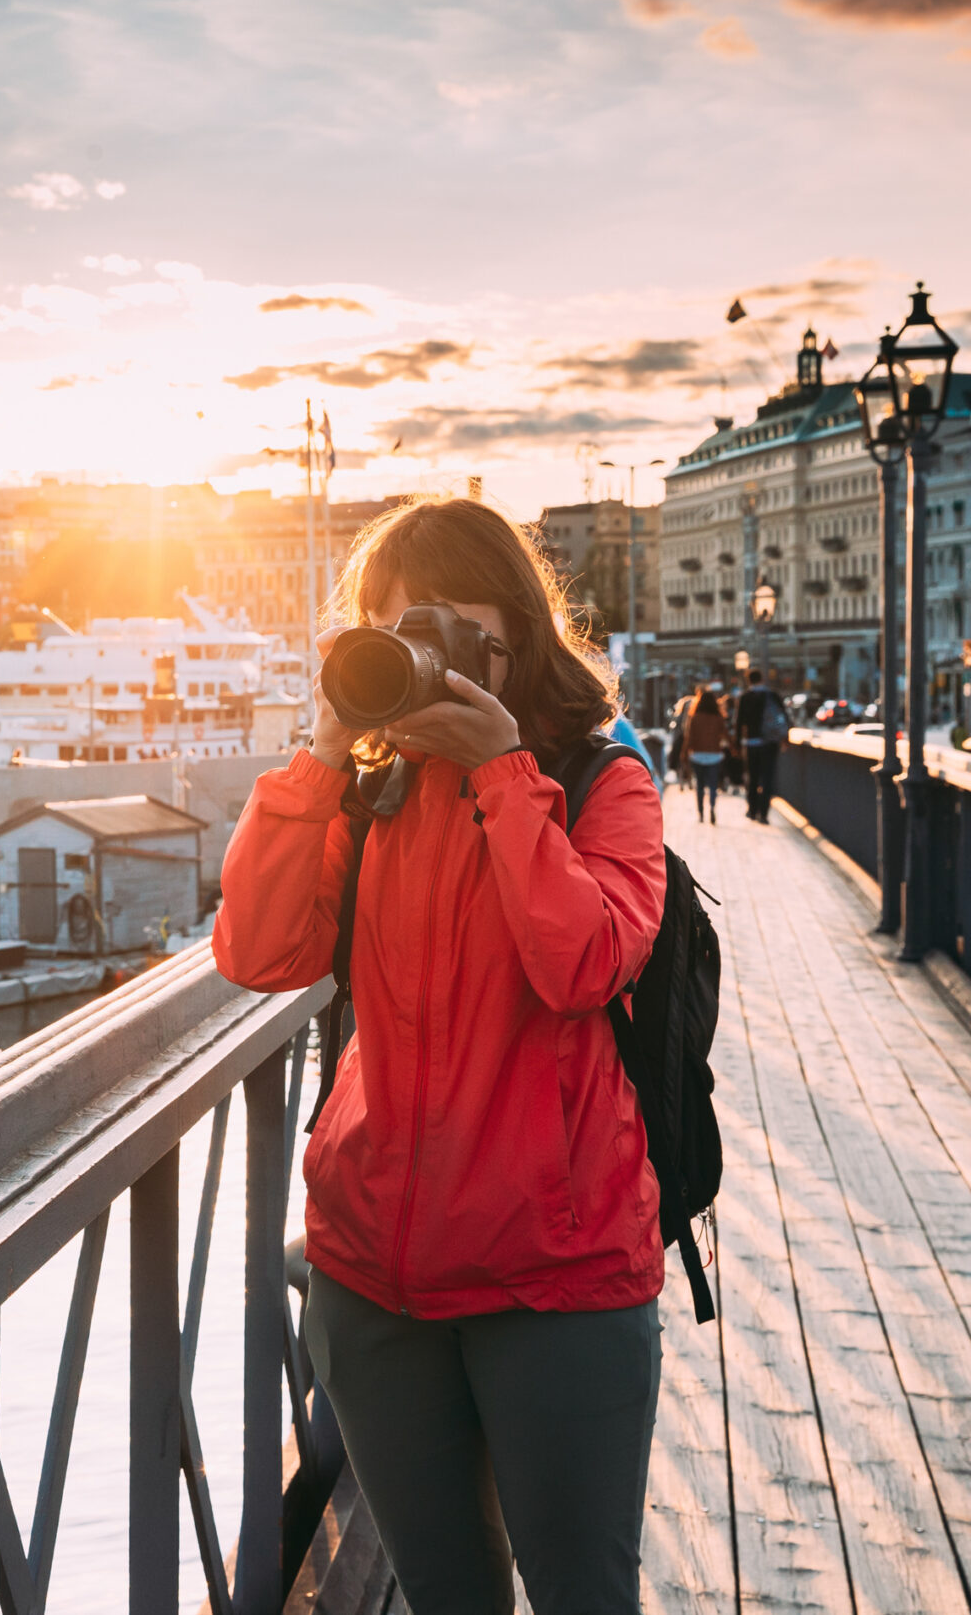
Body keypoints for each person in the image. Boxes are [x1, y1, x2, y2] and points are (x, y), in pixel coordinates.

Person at [214, 497, 667, 1615]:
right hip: (373, 1274)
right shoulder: (366, 792)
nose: (421, 655)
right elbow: (257, 949)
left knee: (580, 1594)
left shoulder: (605, 785)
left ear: (514, 638)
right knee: (443, 1595)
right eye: (395, 630)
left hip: (555, 1278)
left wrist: (504, 775)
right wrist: (323, 749)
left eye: (451, 631)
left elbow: (586, 961)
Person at [735, 669, 781, 824]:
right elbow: (783, 717)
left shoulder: (745, 697)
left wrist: (737, 742)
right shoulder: (772, 695)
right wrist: (784, 738)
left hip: (751, 743)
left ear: (749, 681)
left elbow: (739, 722)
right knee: (767, 779)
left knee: (753, 778)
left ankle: (752, 810)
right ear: (762, 678)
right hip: (769, 743)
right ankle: (764, 814)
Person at [683, 685, 729, 824]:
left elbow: (689, 737)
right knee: (713, 784)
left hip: (697, 755)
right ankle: (712, 807)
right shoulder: (718, 718)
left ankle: (701, 812)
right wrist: (733, 748)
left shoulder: (695, 718)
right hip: (714, 755)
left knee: (700, 785)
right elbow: (725, 735)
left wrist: (684, 753)